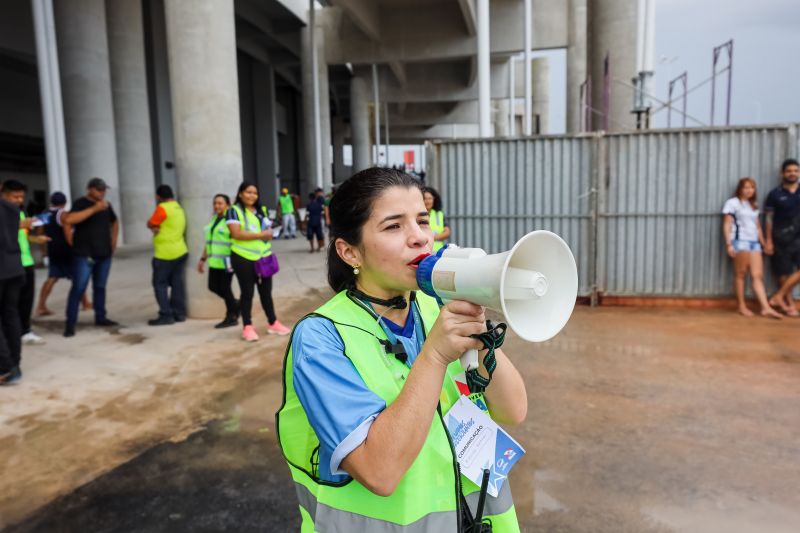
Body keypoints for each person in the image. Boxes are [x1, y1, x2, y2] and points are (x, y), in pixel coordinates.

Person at [276, 168, 527, 531]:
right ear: (350, 252)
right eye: (394, 226)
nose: (420, 239)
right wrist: (436, 355)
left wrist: (482, 335)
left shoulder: (435, 307)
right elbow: (380, 471)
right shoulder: (320, 338)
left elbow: (513, 410)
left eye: (422, 221)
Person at [227, 181, 290, 341]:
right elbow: (236, 233)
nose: (252, 196)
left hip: (263, 258)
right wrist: (262, 235)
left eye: (255, 193)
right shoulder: (233, 211)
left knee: (266, 293)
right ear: (240, 193)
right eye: (248, 192)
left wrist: (272, 231)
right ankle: (247, 327)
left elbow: (268, 229)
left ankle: (273, 323)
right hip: (243, 258)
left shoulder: (261, 210)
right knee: (247, 293)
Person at [61, 177, 120, 337]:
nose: (102, 192)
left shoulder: (107, 206)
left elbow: (115, 222)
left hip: (104, 255)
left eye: (104, 190)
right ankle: (70, 323)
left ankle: (101, 317)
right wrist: (94, 209)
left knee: (100, 287)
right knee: (78, 288)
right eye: (99, 189)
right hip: (84, 255)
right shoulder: (81, 203)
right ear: (90, 189)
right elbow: (69, 220)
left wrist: (114, 241)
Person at [722, 178, 782, 318]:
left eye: (752, 187)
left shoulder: (753, 205)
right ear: (740, 189)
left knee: (757, 276)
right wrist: (729, 244)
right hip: (740, 242)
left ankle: (765, 307)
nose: (749, 190)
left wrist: (764, 243)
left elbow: (757, 226)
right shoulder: (732, 203)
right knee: (741, 274)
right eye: (746, 187)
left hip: (754, 243)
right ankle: (741, 306)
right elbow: (727, 224)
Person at [2, 180, 49, 345]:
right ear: (3, 194)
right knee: (10, 304)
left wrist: (37, 238)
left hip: (26, 261)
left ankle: (25, 331)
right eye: (15, 196)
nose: (20, 200)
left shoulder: (18, 213)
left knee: (26, 299)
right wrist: (20, 224)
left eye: (22, 197)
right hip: (9, 264)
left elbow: (23, 235)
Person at [35, 192, 91, 317]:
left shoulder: (44, 214)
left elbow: (39, 233)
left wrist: (43, 250)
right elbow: (69, 232)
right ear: (65, 202)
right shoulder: (64, 214)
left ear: (51, 201)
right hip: (66, 250)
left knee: (52, 278)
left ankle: (41, 306)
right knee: (78, 277)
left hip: (53, 250)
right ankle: (85, 303)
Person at [146, 185, 188, 326]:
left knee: (160, 284)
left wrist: (153, 227)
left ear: (158, 196)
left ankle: (166, 315)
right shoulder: (178, 207)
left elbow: (151, 222)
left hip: (165, 254)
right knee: (177, 283)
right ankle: (179, 313)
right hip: (180, 251)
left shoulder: (163, 208)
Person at [197, 193, 239, 329]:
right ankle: (235, 304)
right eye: (215, 203)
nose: (216, 206)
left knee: (225, 288)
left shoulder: (230, 220)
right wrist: (203, 259)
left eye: (220, 203)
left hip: (227, 261)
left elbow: (237, 240)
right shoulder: (214, 219)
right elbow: (209, 242)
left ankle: (231, 316)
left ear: (227, 205)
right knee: (213, 286)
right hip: (214, 261)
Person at [764, 158, 800, 316]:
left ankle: (778, 296)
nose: (792, 174)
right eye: (789, 171)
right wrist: (768, 240)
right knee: (783, 273)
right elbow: (768, 219)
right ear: (782, 173)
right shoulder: (774, 194)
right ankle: (789, 304)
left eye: (795, 171)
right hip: (780, 238)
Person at [0, 180, 26, 384]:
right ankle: (15, 362)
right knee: (11, 314)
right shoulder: (13, 209)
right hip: (15, 268)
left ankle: (6, 368)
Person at [423, 186, 451, 253]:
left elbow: (447, 232)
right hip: (422, 251)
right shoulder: (416, 214)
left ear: (434, 199)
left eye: (430, 198)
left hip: (437, 252)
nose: (427, 201)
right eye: (425, 198)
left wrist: (431, 238)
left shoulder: (439, 214)